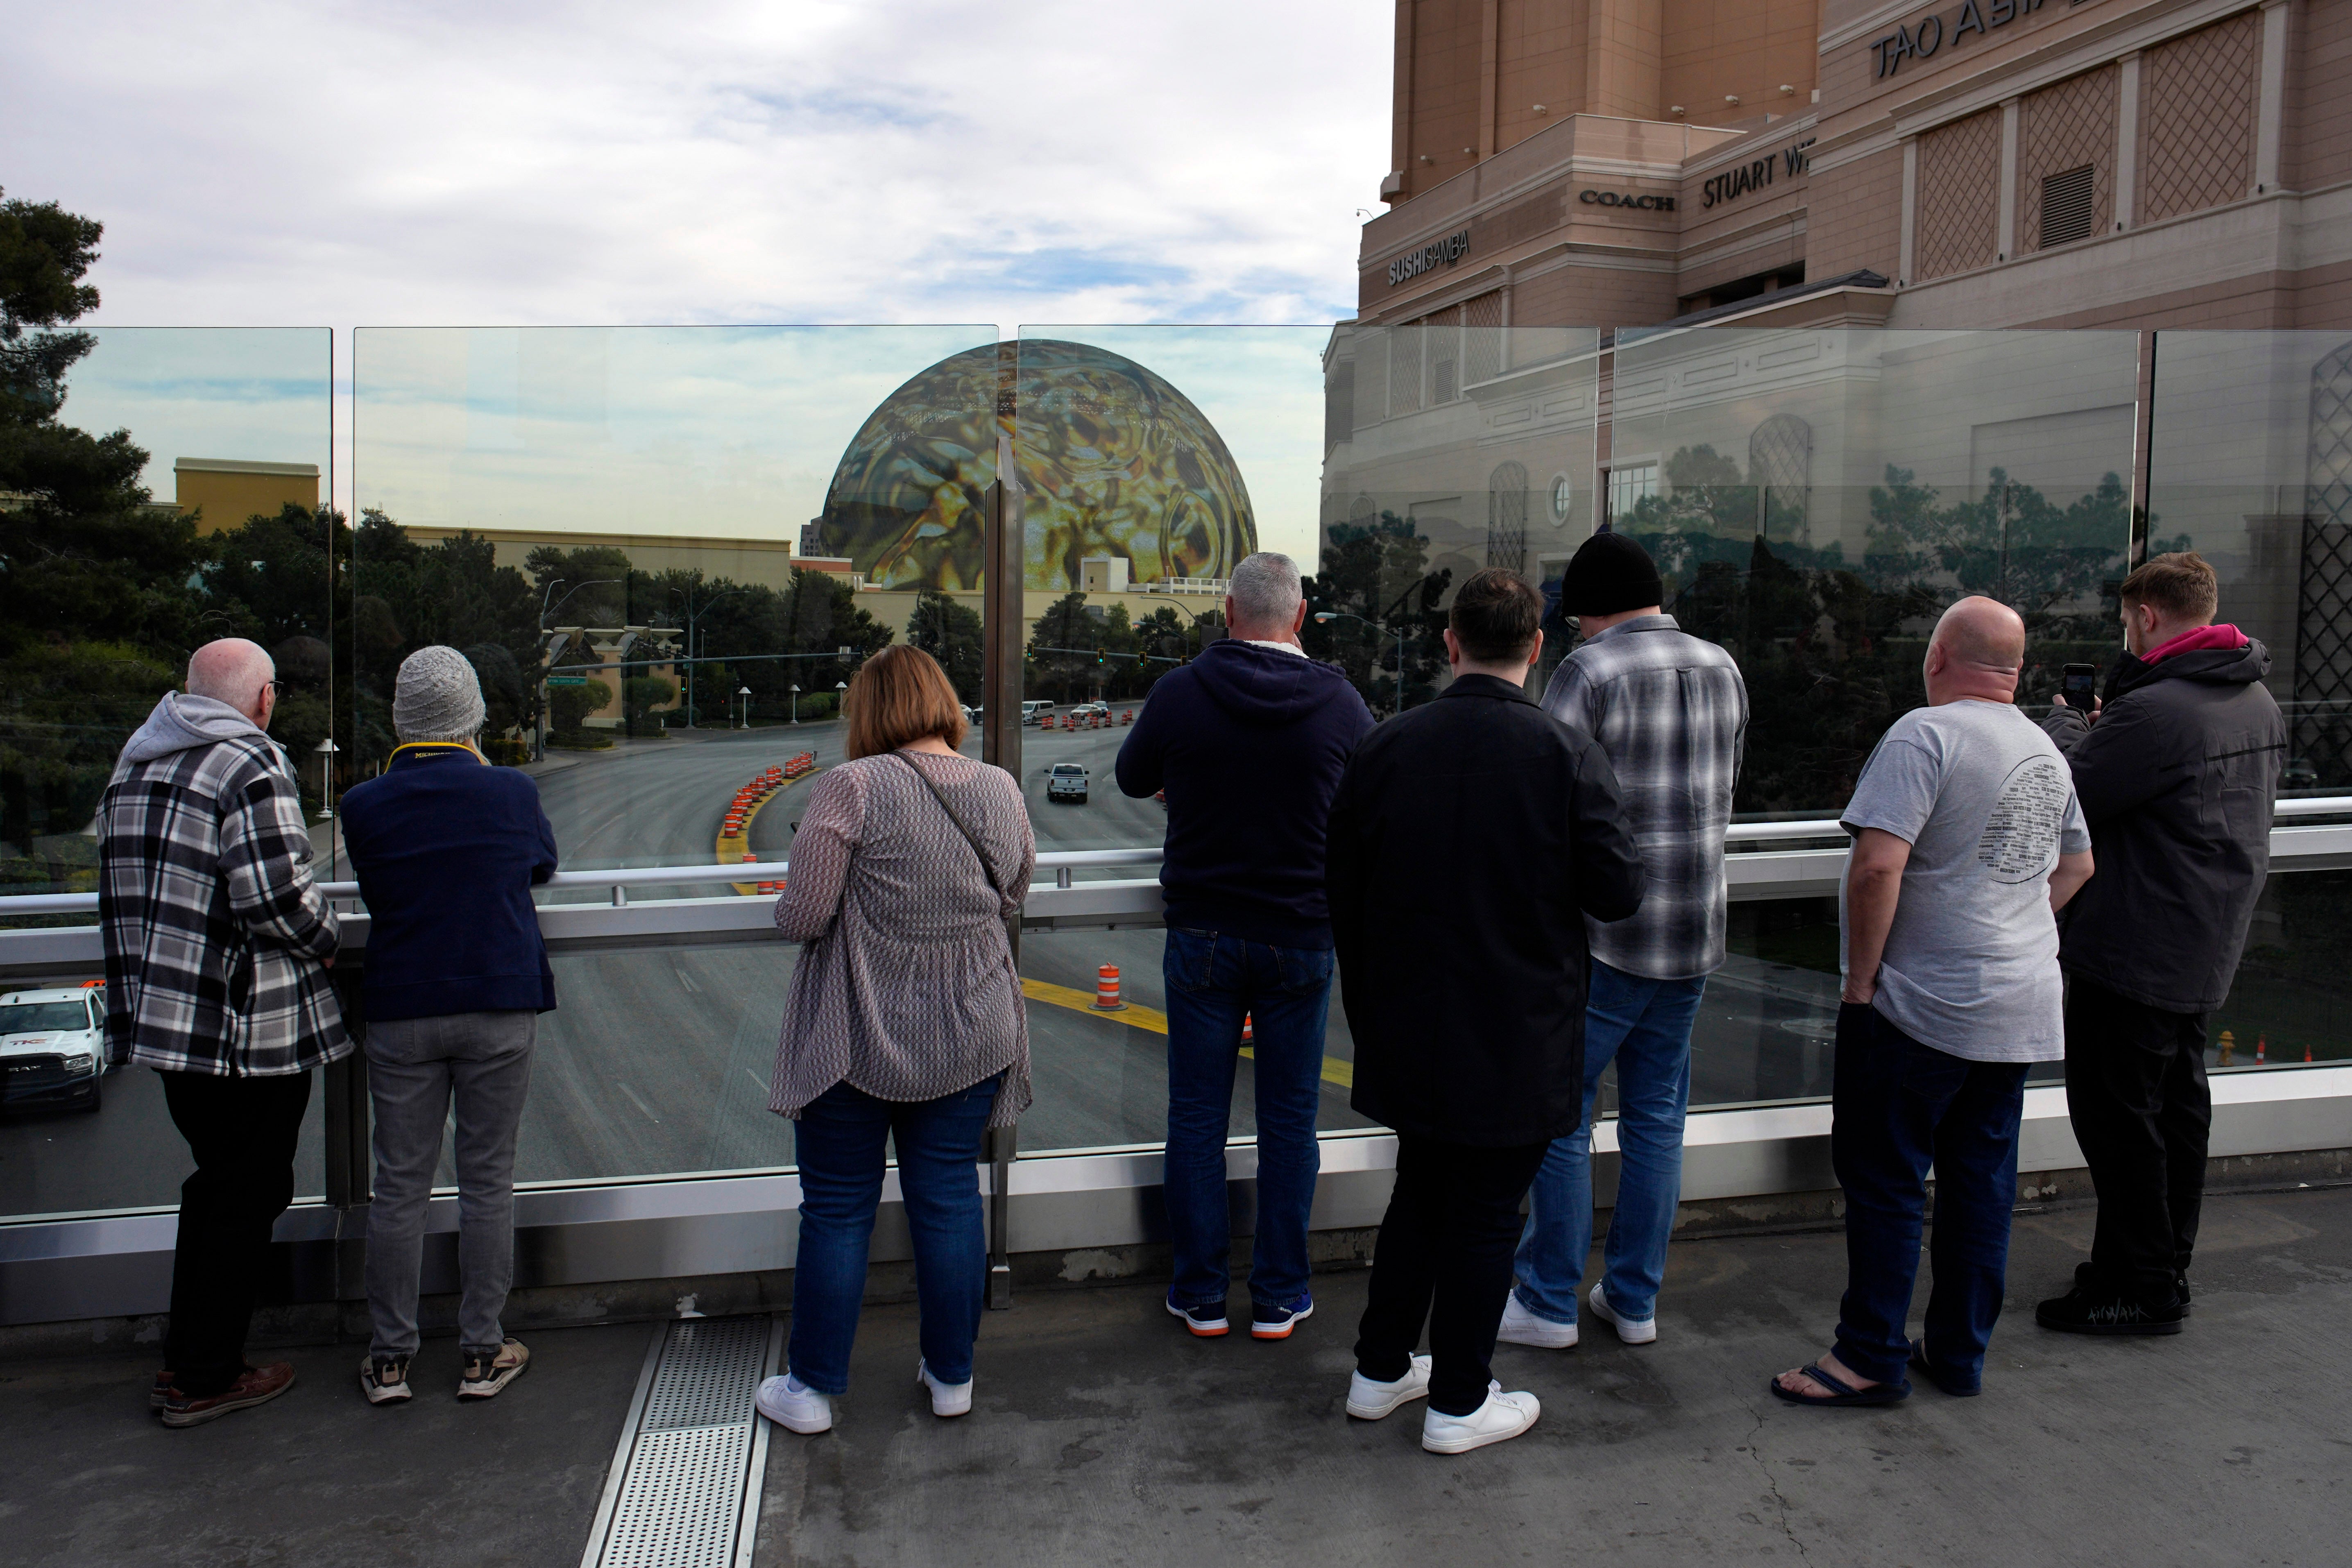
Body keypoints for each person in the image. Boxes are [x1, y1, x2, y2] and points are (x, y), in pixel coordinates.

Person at [1328, 569, 1644, 1453]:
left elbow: (1342, 890)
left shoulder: (1384, 748)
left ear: (1450, 642)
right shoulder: (1565, 754)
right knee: (1484, 1215)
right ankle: (1461, 1401)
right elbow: (1618, 893)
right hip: (1517, 1031)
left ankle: (1381, 1369)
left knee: (1420, 1194)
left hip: (1406, 1026)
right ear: (1538, 646)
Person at [1772, 598, 2094, 1407]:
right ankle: (1957, 1356)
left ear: (1940, 656)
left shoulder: (1926, 734)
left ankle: (1869, 1357)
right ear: (2017, 670)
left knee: (1885, 1179)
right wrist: (2009, 924)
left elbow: (1878, 866)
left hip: (1920, 1005)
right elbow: (2077, 867)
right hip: (2017, 1004)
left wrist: (1860, 982)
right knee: (1981, 1182)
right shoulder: (2045, 748)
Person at [755, 645, 1035, 1435]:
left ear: (869, 710)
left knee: (839, 1210)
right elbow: (1013, 891)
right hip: (972, 1028)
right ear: (942, 703)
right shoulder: (1000, 788)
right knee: (947, 1200)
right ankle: (952, 1377)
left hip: (857, 1031)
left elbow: (804, 915)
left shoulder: (851, 787)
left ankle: (810, 1392)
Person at [1115, 551, 1373, 1341]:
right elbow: (1368, 801)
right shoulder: (1340, 703)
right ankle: (1278, 1296)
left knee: (1195, 1117)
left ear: (1227, 613)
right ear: (1298, 618)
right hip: (1301, 937)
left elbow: (1131, 777)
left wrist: (1190, 779)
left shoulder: (1180, 692)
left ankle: (1197, 1295)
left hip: (1203, 934)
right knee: (1289, 1122)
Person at [1503, 531, 1747, 1352]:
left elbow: (1542, 793)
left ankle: (1545, 1301)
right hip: (1695, 935)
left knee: (1562, 1120)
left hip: (1604, 941)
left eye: (1576, 617)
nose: (1574, 632)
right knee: (1656, 1122)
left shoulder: (1591, 671)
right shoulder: (1723, 665)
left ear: (1595, 608)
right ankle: (1634, 1299)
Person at [2033, 553, 2285, 1334]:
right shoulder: (2253, 701)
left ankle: (2136, 1287)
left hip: (2132, 944)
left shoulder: (2158, 712)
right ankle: (2157, 1263)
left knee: (2117, 1120)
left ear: (2143, 616)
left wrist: (2069, 728)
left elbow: (2067, 798)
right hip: (2203, 939)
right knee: (2175, 1111)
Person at [99, 638, 346, 1428]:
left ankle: (188, 1363)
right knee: (249, 1192)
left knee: (214, 1186)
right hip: (242, 1032)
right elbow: (277, 900)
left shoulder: (137, 765)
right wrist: (333, 937)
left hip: (166, 1025)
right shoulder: (249, 765)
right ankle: (207, 1376)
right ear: (264, 698)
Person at [339, 646, 559, 1404]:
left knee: (399, 1187)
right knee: (486, 1182)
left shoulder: (362, 805)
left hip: (402, 1008)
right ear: (471, 719)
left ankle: (391, 1359)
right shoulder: (510, 793)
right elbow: (539, 868)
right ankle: (480, 1353)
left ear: (401, 719)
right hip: (497, 1005)